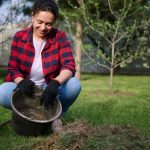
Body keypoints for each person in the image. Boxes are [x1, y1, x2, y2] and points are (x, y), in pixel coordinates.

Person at [0, 0, 81, 133]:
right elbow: (13, 68)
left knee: (74, 85)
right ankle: (25, 114)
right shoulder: (19, 37)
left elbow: (69, 64)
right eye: (39, 22)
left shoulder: (60, 37)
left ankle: (55, 117)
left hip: (50, 89)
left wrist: (56, 82)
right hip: (28, 89)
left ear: (53, 22)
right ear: (32, 17)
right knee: (1, 92)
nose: (43, 27)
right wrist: (21, 81)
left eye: (48, 24)